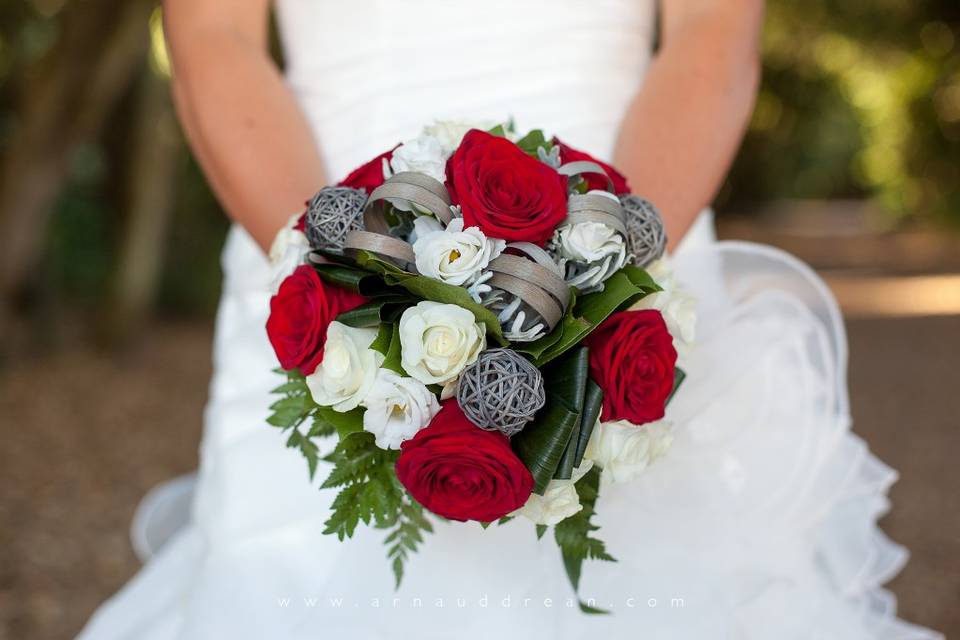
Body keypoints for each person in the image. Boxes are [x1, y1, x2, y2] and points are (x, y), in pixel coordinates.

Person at [79, 0, 942, 638]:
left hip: (631, 208)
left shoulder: (615, 265)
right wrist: (340, 273)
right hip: (313, 209)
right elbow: (211, 41)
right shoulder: (329, 261)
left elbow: (713, 36)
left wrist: (603, 280)